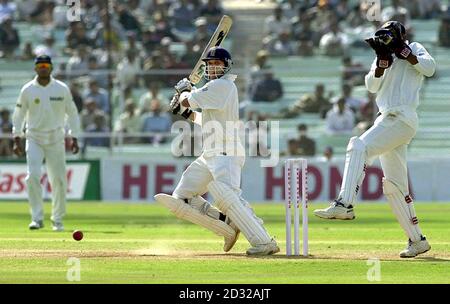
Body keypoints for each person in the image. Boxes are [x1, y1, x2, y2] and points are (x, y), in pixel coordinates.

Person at [313, 21, 436, 258]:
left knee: (358, 146)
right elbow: (371, 86)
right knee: (394, 186)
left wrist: (406, 54)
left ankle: (344, 204)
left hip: (401, 116)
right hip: (388, 120)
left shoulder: (415, 47)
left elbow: (429, 68)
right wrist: (381, 64)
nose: (386, 41)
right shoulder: (384, 55)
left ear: (401, 36)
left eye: (389, 37)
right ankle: (417, 240)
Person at [154, 47, 279, 256]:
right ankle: (226, 225)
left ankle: (265, 242)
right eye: (210, 64)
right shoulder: (213, 89)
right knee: (182, 198)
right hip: (209, 153)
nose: (213, 68)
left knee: (229, 198)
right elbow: (205, 119)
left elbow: (188, 99)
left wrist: (185, 90)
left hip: (226, 152)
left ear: (226, 67)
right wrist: (185, 112)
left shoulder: (223, 85)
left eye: (217, 64)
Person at [12, 55, 81, 231]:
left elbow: (72, 113)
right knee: (32, 176)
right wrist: (17, 137)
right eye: (40, 65)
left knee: (58, 179)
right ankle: (37, 218)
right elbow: (19, 115)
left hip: (56, 138)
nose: (43, 68)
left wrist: (75, 136)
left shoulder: (61, 88)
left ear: (51, 68)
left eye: (46, 65)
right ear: (35, 68)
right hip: (34, 137)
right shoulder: (28, 90)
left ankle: (57, 219)